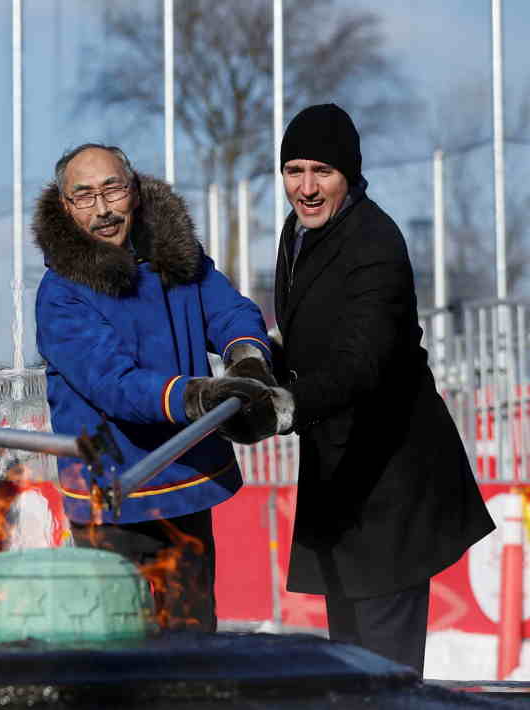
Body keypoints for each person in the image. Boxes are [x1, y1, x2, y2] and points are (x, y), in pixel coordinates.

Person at [200, 104, 495, 674]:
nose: (305, 188)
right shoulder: (300, 231)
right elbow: (310, 332)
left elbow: (362, 362)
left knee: (384, 672)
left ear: (349, 175)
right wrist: (256, 367)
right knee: (349, 665)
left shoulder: (375, 242)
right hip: (340, 475)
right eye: (294, 170)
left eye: (322, 172)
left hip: (390, 479)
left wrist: (282, 407)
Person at [33, 143, 274, 630]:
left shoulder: (177, 257)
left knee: (193, 648)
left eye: (112, 189)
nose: (102, 209)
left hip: (184, 485)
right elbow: (114, 384)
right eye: (84, 196)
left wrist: (247, 358)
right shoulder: (59, 295)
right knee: (118, 656)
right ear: (66, 206)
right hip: (112, 500)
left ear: (134, 192)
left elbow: (229, 311)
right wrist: (197, 396)